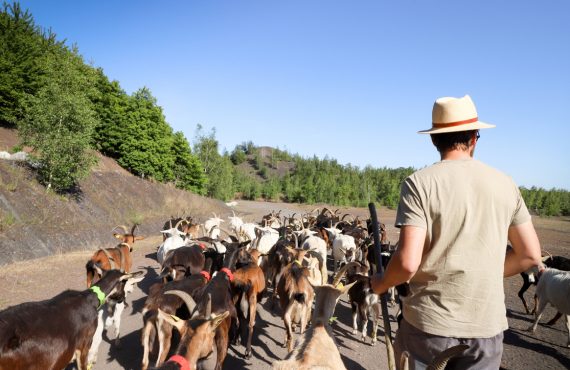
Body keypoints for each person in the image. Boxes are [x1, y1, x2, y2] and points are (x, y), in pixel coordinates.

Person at [371, 95, 542, 369]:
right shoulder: (506, 184)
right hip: (486, 330)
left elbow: (406, 263)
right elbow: (530, 255)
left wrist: (380, 283)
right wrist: (478, 272)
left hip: (429, 327)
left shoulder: (419, 184)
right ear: (475, 138)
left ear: (434, 139)